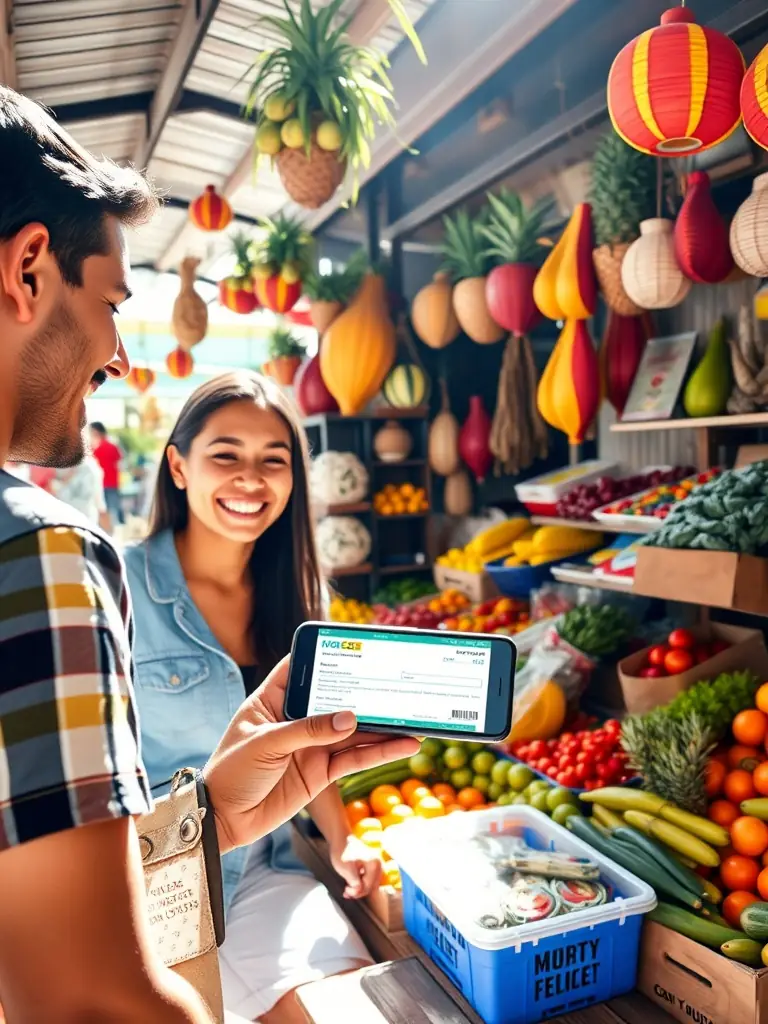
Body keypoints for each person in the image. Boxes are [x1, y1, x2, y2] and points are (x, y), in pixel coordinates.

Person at [0, 83, 418, 1023]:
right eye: (113, 300)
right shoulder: (49, 560)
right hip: (158, 922)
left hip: (233, 884)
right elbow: (88, 999)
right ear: (30, 269)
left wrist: (220, 822)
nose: (115, 353)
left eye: (276, 460)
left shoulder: (290, 601)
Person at [125, 372, 378, 1023]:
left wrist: (342, 839)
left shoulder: (299, 600)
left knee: (357, 1004)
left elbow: (306, 740)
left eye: (274, 460)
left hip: (264, 868)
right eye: (225, 455)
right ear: (179, 466)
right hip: (152, 882)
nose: (251, 479)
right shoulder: (116, 590)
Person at [51, 453, 111, 531]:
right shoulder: (92, 466)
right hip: (86, 517)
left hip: (67, 517)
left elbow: (54, 487)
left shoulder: (60, 465)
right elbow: (99, 497)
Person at [89, 419, 124, 525]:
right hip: (112, 484)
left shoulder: (94, 449)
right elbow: (119, 465)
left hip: (99, 485)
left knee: (101, 513)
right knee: (113, 513)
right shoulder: (113, 447)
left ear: (95, 432)